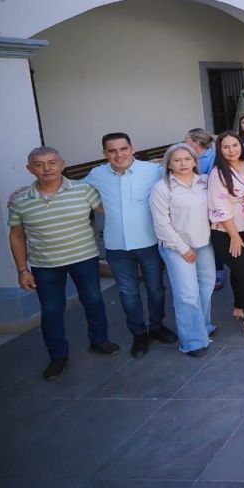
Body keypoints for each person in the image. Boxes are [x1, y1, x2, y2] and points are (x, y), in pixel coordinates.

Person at [8, 147, 119, 380]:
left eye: (52, 162)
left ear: (62, 164)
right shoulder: (21, 200)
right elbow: (17, 236)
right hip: (45, 265)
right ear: (30, 169)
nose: (47, 168)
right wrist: (22, 270)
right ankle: (57, 356)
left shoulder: (83, 190)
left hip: (84, 258)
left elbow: (114, 205)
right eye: (39, 164)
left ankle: (99, 340)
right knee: (51, 310)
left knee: (93, 300)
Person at [85, 132, 176, 358]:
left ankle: (156, 326)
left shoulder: (153, 170)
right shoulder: (97, 174)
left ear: (132, 148)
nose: (119, 155)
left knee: (156, 289)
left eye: (123, 149)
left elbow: (180, 180)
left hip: (150, 242)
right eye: (112, 151)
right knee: (128, 293)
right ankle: (139, 334)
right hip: (117, 247)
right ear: (105, 153)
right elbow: (69, 188)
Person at [150, 143, 215, 357]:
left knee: (206, 288)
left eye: (187, 159)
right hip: (177, 247)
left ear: (195, 161)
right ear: (169, 165)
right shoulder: (162, 188)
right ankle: (193, 342)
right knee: (187, 294)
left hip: (204, 243)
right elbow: (161, 224)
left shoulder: (204, 181)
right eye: (177, 160)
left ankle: (203, 327)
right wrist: (183, 248)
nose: (183, 163)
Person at [208, 131, 244, 340]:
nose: (231, 150)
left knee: (241, 272)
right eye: (226, 147)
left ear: (241, 146)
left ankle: (239, 307)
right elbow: (219, 207)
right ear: (219, 150)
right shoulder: (218, 173)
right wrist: (234, 235)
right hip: (227, 232)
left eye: (235, 145)